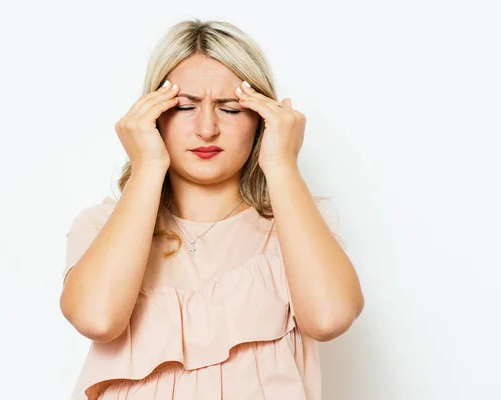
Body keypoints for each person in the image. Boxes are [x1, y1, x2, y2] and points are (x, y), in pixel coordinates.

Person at [59, 18, 364, 400]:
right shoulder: (100, 226)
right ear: (151, 115)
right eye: (185, 106)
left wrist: (283, 163)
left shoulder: (292, 228)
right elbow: (97, 318)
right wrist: (148, 166)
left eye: (231, 109)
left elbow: (330, 317)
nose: (207, 129)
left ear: (261, 119)